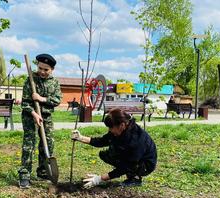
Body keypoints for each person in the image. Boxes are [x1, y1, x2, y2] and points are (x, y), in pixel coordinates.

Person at [71, 108, 157, 188]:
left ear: (122, 125)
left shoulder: (136, 140)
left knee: (128, 165)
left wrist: (100, 178)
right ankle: (131, 175)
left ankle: (135, 178)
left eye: (111, 127)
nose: (110, 130)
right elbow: (102, 141)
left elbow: (128, 165)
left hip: (145, 164)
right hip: (131, 159)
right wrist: (80, 138)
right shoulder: (120, 131)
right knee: (107, 155)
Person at [18, 53, 63, 188]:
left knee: (48, 144)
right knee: (29, 144)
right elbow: (25, 103)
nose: (42, 72)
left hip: (46, 116)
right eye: (40, 68)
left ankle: (43, 172)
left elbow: (57, 100)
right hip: (30, 116)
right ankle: (24, 175)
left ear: (52, 70)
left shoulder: (54, 82)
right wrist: (34, 114)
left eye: (46, 69)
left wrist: (41, 98)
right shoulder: (30, 80)